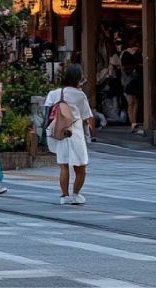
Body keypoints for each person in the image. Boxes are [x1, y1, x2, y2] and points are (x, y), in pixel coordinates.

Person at [43, 63, 94, 205]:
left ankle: (64, 196)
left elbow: (47, 112)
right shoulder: (80, 95)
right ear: (78, 78)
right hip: (75, 133)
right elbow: (86, 116)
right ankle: (76, 195)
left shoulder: (54, 94)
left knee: (64, 166)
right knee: (81, 167)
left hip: (59, 133)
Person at [120, 42, 143, 134]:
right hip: (130, 80)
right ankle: (133, 122)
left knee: (133, 102)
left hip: (131, 80)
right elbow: (124, 67)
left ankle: (133, 122)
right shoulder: (127, 54)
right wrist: (137, 66)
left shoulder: (125, 54)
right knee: (132, 102)